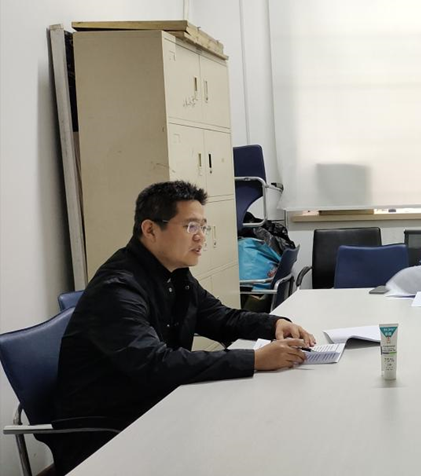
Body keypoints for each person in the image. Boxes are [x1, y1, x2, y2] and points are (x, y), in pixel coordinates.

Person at [53, 181, 316, 474]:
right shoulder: (117, 289)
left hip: (156, 404)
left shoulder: (175, 274)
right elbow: (155, 363)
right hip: (111, 431)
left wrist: (275, 323)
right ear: (150, 230)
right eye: (191, 227)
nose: (201, 237)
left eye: (203, 227)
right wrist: (255, 360)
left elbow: (221, 318)